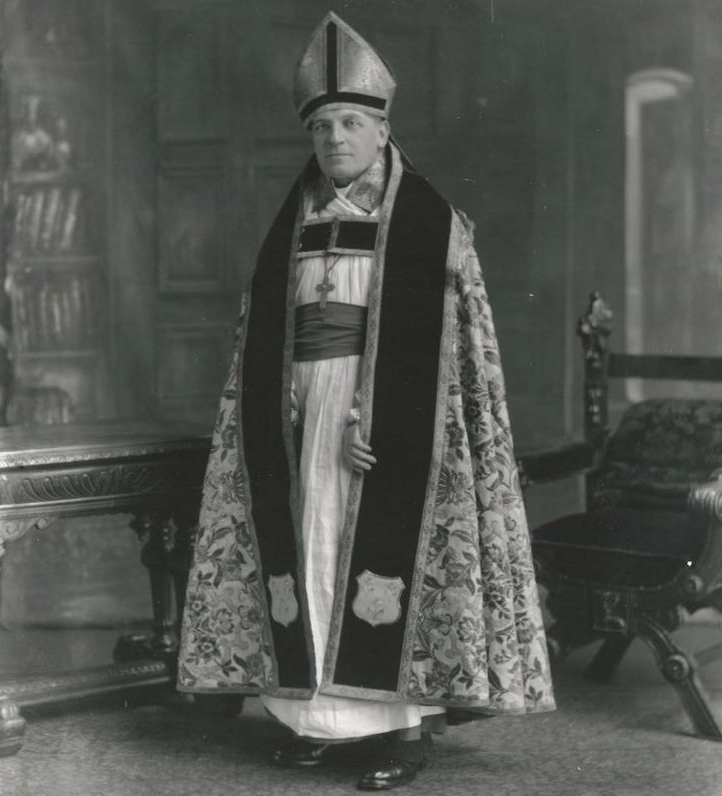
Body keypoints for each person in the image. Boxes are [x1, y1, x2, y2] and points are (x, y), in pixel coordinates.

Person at [177, 11, 554, 791]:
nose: (334, 139)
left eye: (350, 122)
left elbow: (450, 356)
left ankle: (397, 729)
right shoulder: (295, 224)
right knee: (311, 549)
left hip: (381, 420)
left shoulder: (427, 223)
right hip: (305, 413)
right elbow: (264, 336)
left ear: (382, 129)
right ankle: (317, 721)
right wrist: (286, 410)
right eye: (321, 126)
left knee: (377, 556)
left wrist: (377, 419)